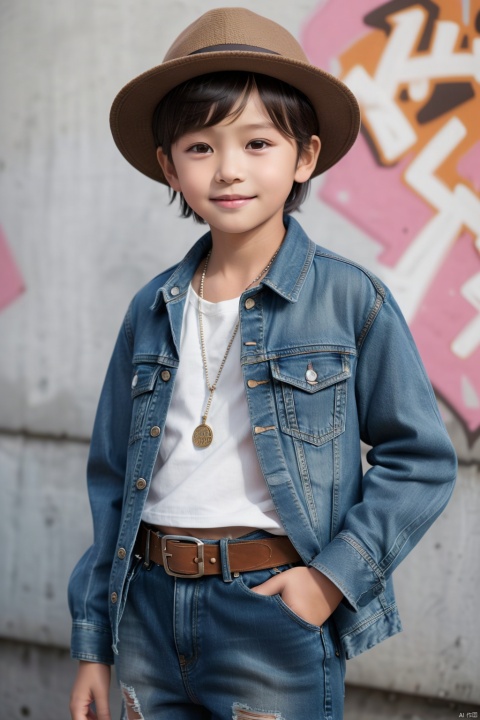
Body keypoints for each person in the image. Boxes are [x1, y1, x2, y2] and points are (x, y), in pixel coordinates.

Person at [68, 7, 457, 720]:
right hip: (148, 611)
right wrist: (94, 643)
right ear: (168, 165)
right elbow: (111, 483)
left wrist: (329, 582)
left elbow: (421, 460)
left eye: (256, 143)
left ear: (303, 157)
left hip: (269, 612)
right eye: (200, 147)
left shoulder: (349, 300)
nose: (229, 170)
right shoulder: (151, 309)